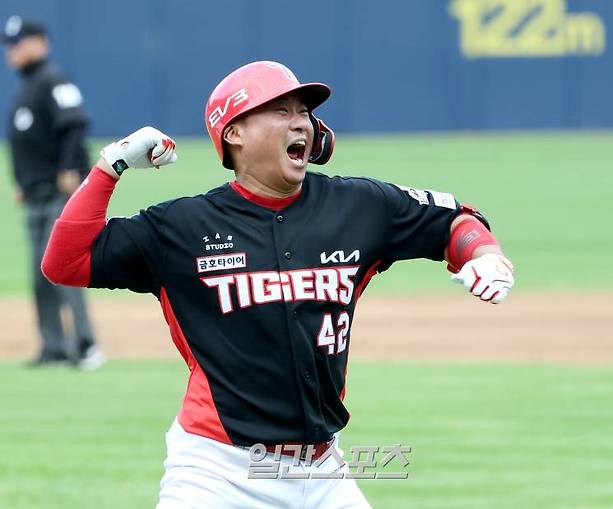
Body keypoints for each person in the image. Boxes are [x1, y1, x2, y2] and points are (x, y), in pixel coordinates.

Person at [41, 61, 515, 508]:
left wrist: (484, 254)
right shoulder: (182, 228)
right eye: (280, 110)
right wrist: (110, 166)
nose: (300, 123)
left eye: (304, 112)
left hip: (325, 470)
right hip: (217, 470)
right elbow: (66, 262)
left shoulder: (358, 207)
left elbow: (454, 220)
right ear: (234, 133)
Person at [3, 15, 104, 369]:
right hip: (34, 195)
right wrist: (21, 181)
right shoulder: (25, 88)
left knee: (62, 270)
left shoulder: (53, 80)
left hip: (59, 195)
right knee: (39, 274)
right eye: (8, 44)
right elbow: (26, 143)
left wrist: (69, 169)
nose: (11, 50)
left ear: (40, 42)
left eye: (18, 43)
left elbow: (74, 125)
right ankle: (53, 346)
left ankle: (85, 346)